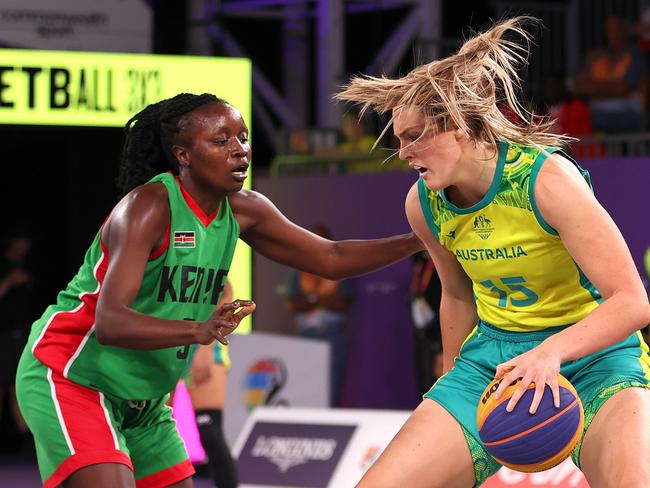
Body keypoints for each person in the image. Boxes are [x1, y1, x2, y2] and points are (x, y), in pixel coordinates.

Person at [15, 92, 423, 488]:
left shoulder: (245, 209)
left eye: (244, 137)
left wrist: (417, 239)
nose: (240, 149)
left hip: (144, 400)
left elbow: (331, 258)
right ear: (183, 155)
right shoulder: (148, 206)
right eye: (221, 140)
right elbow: (111, 321)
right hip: (73, 376)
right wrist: (198, 331)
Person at [336, 16, 650, 487]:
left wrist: (550, 352)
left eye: (413, 135)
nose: (403, 152)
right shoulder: (423, 203)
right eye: (399, 138)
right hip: (493, 362)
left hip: (595, 357)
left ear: (459, 125)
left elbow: (633, 302)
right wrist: (449, 384)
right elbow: (458, 296)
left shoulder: (547, 181)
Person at [173, 278, 238, 488]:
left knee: (209, 430)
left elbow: (225, 291)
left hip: (203, 341)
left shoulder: (201, 248)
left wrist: (206, 346)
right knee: (152, 427)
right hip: (163, 340)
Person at [287, 224, 354, 407]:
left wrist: (310, 299)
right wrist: (321, 298)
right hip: (306, 334)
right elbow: (294, 304)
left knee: (331, 385)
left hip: (332, 334)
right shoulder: (299, 268)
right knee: (305, 383)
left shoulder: (340, 267)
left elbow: (342, 303)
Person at [572, 15, 647, 134]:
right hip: (595, 113)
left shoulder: (635, 56)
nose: (611, 34)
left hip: (627, 114)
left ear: (625, 31)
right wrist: (611, 86)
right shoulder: (595, 57)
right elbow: (579, 86)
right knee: (573, 114)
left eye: (616, 29)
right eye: (608, 30)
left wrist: (595, 87)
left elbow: (621, 89)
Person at [0, 229, 35, 452]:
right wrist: (10, 281)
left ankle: (25, 438)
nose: (24, 245)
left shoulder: (30, 267)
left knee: (18, 385)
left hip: (22, 333)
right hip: (2, 335)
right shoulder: (3, 266)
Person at [409, 250, 442, 395]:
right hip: (422, 331)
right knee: (424, 380)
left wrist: (443, 349)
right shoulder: (418, 257)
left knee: (438, 381)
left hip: (441, 334)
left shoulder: (445, 258)